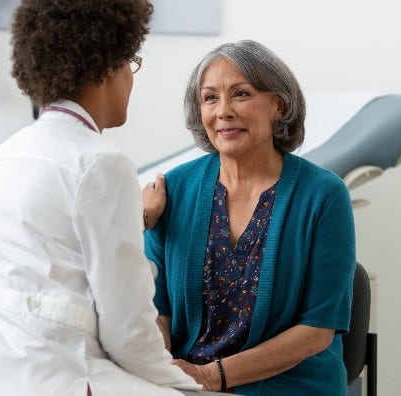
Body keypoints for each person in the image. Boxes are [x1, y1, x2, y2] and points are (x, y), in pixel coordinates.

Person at [0, 1, 199, 394]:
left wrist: (138, 218)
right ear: (106, 67)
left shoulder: (12, 151)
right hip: (62, 378)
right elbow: (128, 333)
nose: (132, 78)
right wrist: (186, 385)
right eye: (130, 62)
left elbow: (62, 248)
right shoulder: (103, 163)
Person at [145, 40, 356, 396]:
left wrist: (214, 377)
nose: (223, 111)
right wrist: (159, 364)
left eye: (240, 94)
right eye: (210, 98)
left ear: (279, 105)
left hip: (287, 386)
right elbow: (155, 307)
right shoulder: (174, 190)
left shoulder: (324, 195)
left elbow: (317, 330)